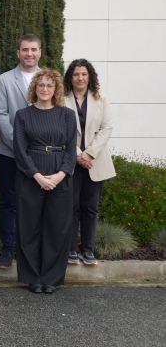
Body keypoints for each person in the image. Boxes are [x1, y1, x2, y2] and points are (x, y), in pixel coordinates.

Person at [13, 68, 77, 294]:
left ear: (56, 89)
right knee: (28, 228)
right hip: (31, 177)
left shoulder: (67, 115)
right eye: (41, 85)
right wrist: (37, 176)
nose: (45, 89)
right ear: (34, 88)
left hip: (60, 176)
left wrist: (60, 175)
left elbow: (71, 150)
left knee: (57, 229)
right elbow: (20, 151)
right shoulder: (23, 115)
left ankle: (51, 278)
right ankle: (33, 277)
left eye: (50, 85)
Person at [0, 34, 42, 269]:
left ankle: (32, 249)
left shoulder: (48, 78)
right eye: (25, 49)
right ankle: (8, 248)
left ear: (40, 52)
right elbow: (0, 114)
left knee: (36, 202)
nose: (29, 53)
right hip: (10, 152)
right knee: (9, 201)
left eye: (33, 49)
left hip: (42, 154)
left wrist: (37, 148)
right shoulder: (4, 80)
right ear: (18, 53)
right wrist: (20, 146)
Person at [63, 59, 115, 266]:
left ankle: (88, 250)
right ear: (70, 77)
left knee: (90, 207)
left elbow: (107, 128)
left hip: (95, 161)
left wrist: (89, 153)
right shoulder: (62, 98)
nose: (80, 78)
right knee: (72, 207)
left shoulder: (101, 98)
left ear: (90, 76)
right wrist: (78, 154)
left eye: (84, 74)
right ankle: (71, 250)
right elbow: (62, 129)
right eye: (76, 74)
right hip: (71, 160)